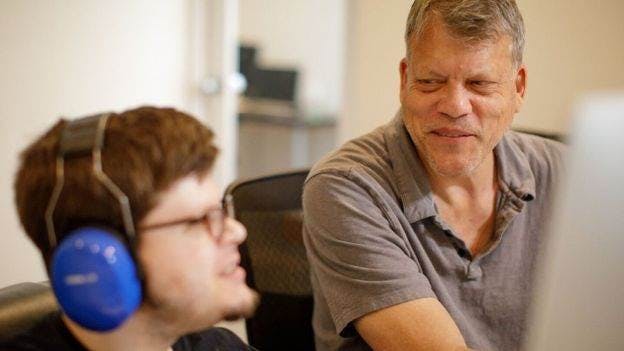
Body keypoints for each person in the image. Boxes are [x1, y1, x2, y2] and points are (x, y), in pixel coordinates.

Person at [302, 0, 565, 350]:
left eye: (479, 83)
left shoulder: (568, 175)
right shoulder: (346, 187)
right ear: (404, 78)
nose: (455, 106)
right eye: (430, 81)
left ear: (518, 88)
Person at [2, 107, 259, 350]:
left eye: (222, 211)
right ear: (99, 258)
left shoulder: (218, 345)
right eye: (202, 219)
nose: (237, 231)